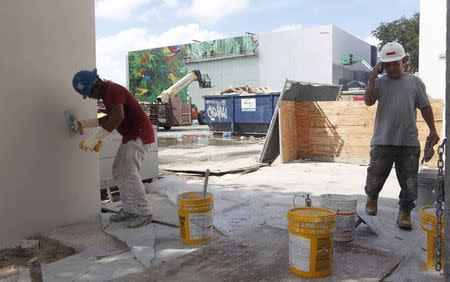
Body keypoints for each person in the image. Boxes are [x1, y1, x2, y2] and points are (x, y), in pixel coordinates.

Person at [363, 42, 439, 230]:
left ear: (403, 61)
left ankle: (404, 212)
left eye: (395, 63)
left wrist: (433, 130)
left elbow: (425, 107)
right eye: (387, 65)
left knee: (410, 182)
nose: (391, 68)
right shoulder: (380, 82)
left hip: (408, 142)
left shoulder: (415, 82)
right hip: (383, 140)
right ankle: (372, 198)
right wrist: (373, 77)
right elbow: (368, 101)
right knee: (375, 176)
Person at [72, 68, 154, 228]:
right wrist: (85, 124)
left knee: (129, 172)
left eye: (89, 93)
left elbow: (118, 117)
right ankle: (130, 209)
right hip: (131, 135)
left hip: (139, 134)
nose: (90, 97)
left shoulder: (113, 91)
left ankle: (145, 212)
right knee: (118, 170)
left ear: (94, 85)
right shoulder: (108, 94)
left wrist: (95, 138)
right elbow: (108, 118)